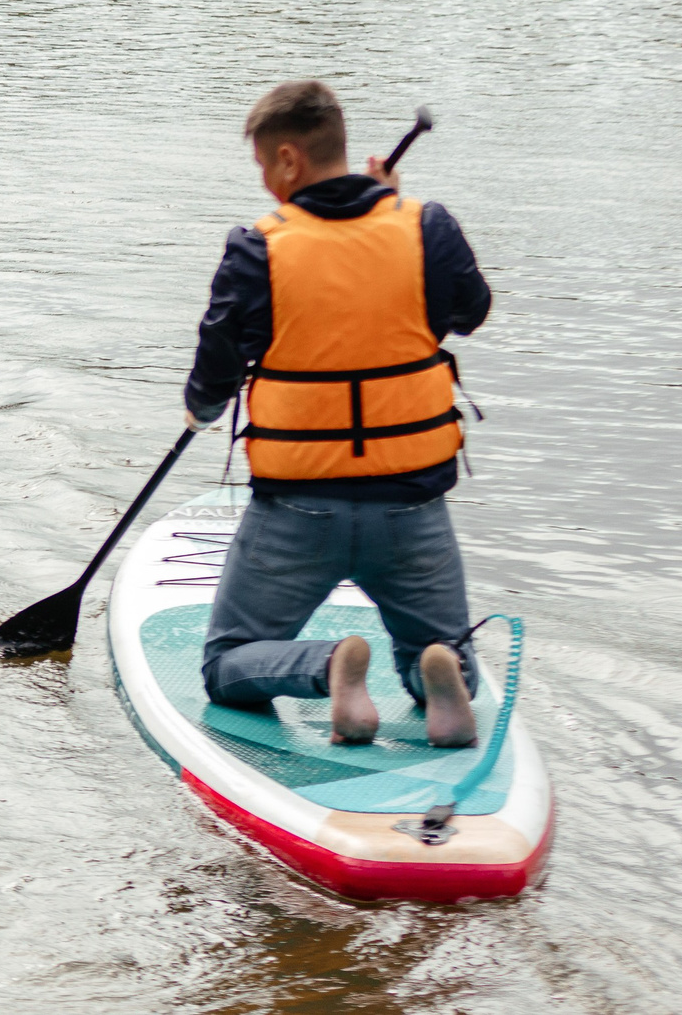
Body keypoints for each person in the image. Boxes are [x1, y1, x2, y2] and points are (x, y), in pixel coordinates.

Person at [183, 80, 493, 747]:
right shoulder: (424, 226)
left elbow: (214, 377)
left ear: (290, 159)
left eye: (265, 166)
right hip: (412, 509)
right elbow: (470, 311)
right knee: (434, 647)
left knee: (226, 662)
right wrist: (397, 205)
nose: (266, 183)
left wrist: (198, 410)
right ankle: (442, 675)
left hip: (298, 510)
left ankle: (329, 669)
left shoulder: (257, 248)